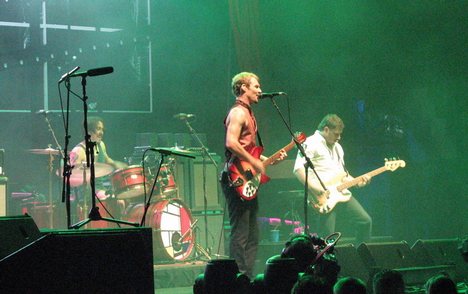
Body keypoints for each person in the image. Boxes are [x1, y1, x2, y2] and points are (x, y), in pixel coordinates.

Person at [220, 72, 287, 278]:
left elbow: (247, 149)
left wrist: (268, 158)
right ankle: (237, 278)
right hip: (235, 177)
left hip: (245, 177)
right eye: (256, 86)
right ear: (243, 88)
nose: (260, 90)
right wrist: (254, 161)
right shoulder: (238, 112)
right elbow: (231, 143)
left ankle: (246, 277)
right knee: (241, 233)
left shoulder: (248, 113)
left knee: (252, 234)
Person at [293, 114, 372, 244]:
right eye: (336, 134)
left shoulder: (338, 148)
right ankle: (325, 263)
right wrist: (315, 188)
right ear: (326, 129)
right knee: (327, 237)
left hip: (340, 194)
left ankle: (362, 258)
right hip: (322, 198)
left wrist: (358, 182)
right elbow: (297, 169)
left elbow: (343, 174)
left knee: (365, 221)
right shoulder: (311, 143)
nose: (339, 137)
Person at [69, 117, 127, 224]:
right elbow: (71, 176)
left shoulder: (101, 145)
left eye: (102, 129)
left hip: (100, 188)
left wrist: (118, 165)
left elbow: (106, 158)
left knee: (122, 198)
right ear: (89, 131)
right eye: (98, 129)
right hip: (84, 192)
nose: (101, 132)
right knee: (119, 202)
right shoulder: (78, 151)